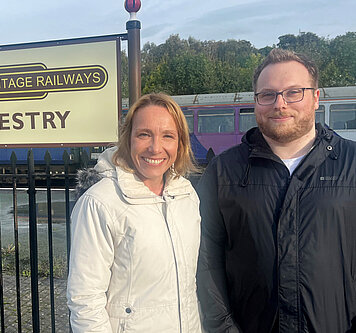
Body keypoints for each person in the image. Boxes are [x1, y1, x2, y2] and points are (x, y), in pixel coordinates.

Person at [196, 48, 356, 332]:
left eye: (294, 92)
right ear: (256, 101)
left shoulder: (352, 164)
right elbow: (206, 261)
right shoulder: (223, 172)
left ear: (316, 98)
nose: (279, 104)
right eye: (267, 94)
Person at [67, 93, 202, 332]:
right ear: (127, 138)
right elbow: (85, 301)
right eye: (144, 134)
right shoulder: (100, 202)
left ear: (180, 143)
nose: (155, 147)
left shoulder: (186, 195)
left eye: (168, 136)